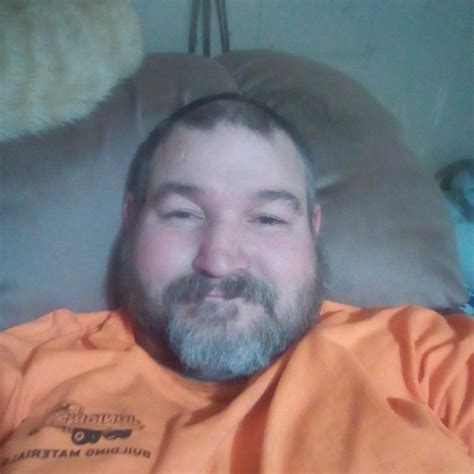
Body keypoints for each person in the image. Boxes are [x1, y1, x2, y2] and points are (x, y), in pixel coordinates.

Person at [0, 94, 472, 473]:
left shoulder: (425, 355)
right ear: (132, 219)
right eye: (183, 214)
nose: (219, 261)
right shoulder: (28, 369)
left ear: (313, 229)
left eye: (267, 219)